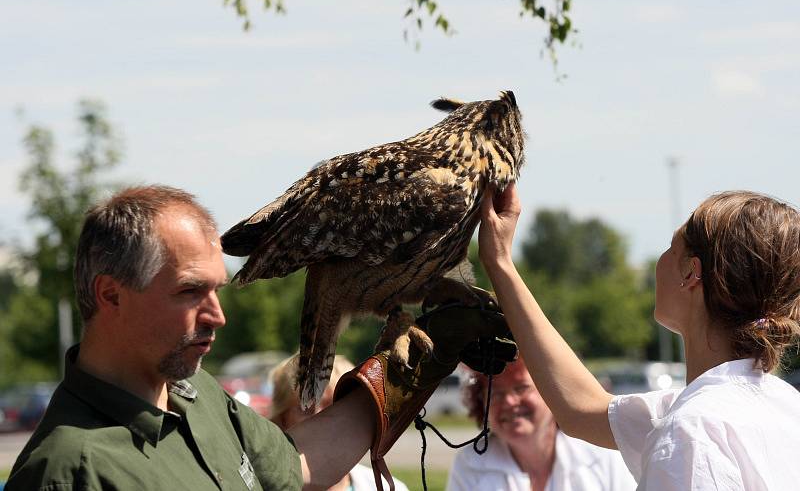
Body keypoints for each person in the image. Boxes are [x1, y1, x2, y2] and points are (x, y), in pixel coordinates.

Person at [6, 184, 515, 491]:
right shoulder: (70, 471)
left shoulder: (197, 395)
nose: (217, 315)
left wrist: (415, 367)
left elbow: (296, 465)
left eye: (217, 289)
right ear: (111, 296)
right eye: (189, 292)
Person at [478, 185, 800, 490]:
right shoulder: (783, 406)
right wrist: (500, 261)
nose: (660, 261)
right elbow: (581, 409)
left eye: (671, 248)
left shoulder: (693, 432)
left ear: (690, 272)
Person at [447, 358, 636, 491]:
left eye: (521, 388)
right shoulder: (470, 464)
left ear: (555, 393)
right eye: (496, 393)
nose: (510, 402)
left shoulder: (602, 456)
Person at [270, 354, 410, 491]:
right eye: (306, 407)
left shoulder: (388, 487)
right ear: (282, 420)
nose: (320, 417)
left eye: (333, 407)